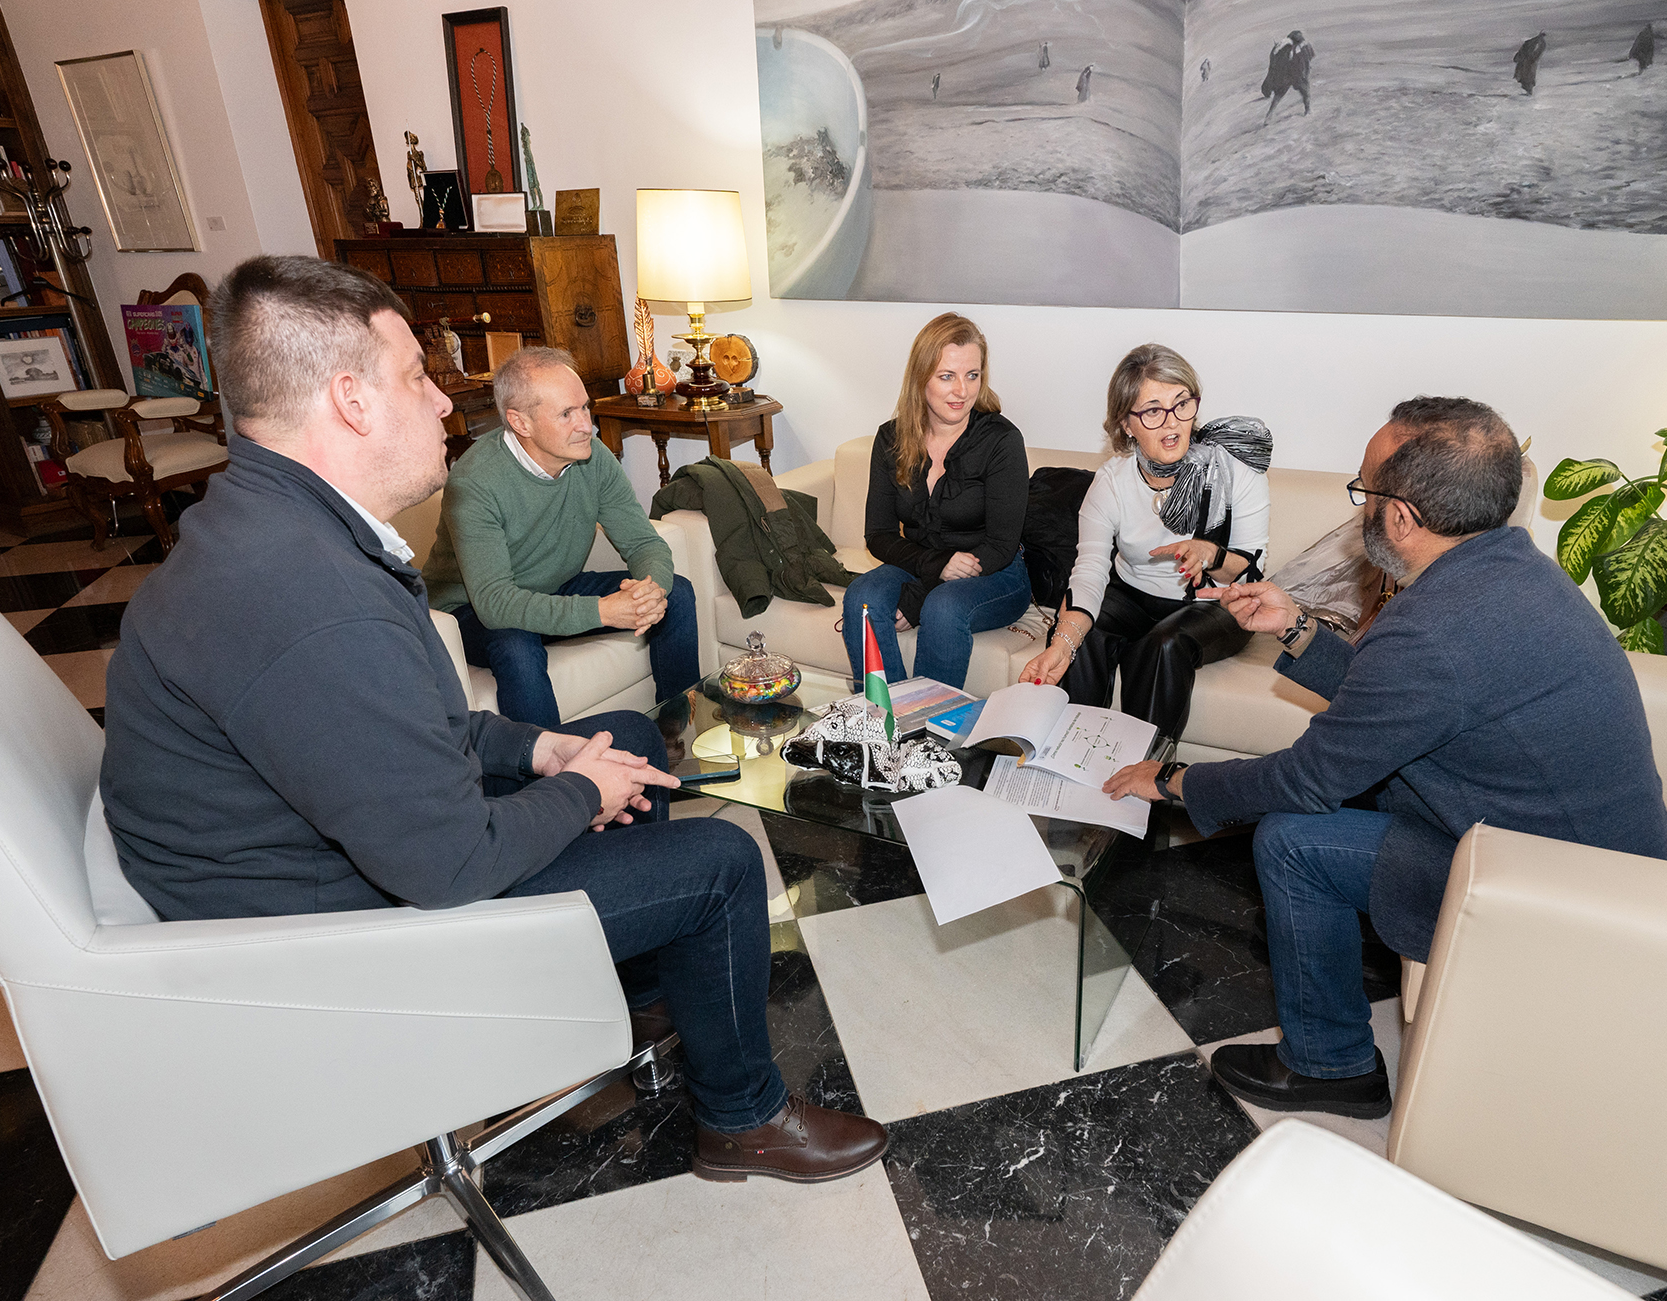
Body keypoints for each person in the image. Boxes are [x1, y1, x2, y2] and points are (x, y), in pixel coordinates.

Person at [100, 255, 887, 1184]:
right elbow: (449, 863)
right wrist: (580, 792)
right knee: (720, 862)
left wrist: (541, 746)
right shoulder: (311, 601)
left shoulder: (275, 532)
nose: (444, 403)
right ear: (350, 401)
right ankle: (742, 1118)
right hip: (340, 941)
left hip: (336, 860)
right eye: (417, 377)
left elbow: (415, 727)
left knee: (629, 740)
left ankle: (642, 991)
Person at [1103, 397, 1667, 1120]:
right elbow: (1403, 703)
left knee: (1291, 840)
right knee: (1360, 790)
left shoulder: (1431, 629)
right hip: (1591, 852)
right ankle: (1338, 956)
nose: (1361, 510)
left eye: (1365, 492)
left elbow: (1308, 777)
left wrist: (1172, 779)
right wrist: (1296, 626)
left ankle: (1331, 1065)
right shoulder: (1509, 571)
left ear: (1404, 518)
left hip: (1557, 890)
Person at [423, 346, 698, 728]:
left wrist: (650, 591)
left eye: (584, 408)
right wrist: (603, 611)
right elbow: (494, 603)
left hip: (553, 587)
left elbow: (643, 543)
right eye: (567, 414)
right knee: (515, 644)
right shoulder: (474, 483)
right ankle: (553, 764)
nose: (586, 425)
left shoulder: (593, 457)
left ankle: (678, 738)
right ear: (520, 423)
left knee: (676, 593)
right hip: (468, 610)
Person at [1019, 344, 1268, 743]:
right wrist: (1063, 644)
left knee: (1163, 645)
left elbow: (1251, 573)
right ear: (1126, 424)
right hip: (1133, 595)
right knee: (1081, 634)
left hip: (1217, 602)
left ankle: (1144, 772)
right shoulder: (1112, 481)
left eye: (1181, 404)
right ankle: (1071, 757)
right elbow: (1090, 570)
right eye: (1153, 411)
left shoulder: (1234, 470)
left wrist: (1211, 554)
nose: (1173, 423)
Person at [841, 312, 1031, 689]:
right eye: (947, 376)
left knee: (942, 607)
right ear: (921, 377)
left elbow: (1001, 545)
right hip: (922, 561)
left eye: (972, 375)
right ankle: (884, 716)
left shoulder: (1002, 441)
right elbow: (878, 535)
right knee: (861, 597)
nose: (962, 390)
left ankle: (930, 724)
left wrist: (920, 596)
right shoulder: (891, 438)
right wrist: (935, 567)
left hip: (996, 574)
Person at [1262, 30, 1313, 123]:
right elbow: (1306, 61)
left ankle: (1269, 115)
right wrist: (1305, 73)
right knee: (1305, 92)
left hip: (1286, 76)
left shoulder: (1281, 48)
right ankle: (1308, 110)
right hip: (1296, 75)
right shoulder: (1301, 48)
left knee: (1278, 95)